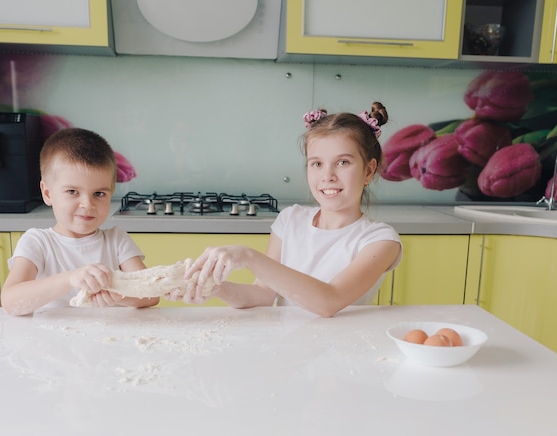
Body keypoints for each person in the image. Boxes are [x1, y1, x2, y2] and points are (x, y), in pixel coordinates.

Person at [172, 102, 402, 317]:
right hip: (288, 347)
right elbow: (262, 294)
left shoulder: (380, 240)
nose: (328, 176)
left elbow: (329, 301)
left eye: (343, 162)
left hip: (341, 351)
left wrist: (248, 256)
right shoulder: (290, 219)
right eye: (317, 164)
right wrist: (211, 286)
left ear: (369, 171)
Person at [1, 128, 159, 315]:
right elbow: (11, 302)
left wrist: (120, 295)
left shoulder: (117, 240)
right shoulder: (38, 242)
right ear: (48, 193)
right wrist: (70, 279)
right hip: (51, 341)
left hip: (110, 338)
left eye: (99, 193)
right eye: (72, 192)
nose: (87, 204)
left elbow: (151, 295)